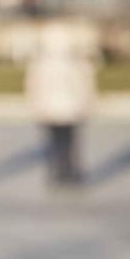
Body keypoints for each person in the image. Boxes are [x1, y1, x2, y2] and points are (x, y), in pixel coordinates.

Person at [24, 21, 98, 188]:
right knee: (69, 142)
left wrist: (36, 106)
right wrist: (87, 104)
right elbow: (85, 85)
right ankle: (68, 171)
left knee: (56, 142)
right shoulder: (76, 62)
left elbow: (33, 86)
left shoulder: (41, 63)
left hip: (52, 110)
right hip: (69, 110)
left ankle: (59, 171)